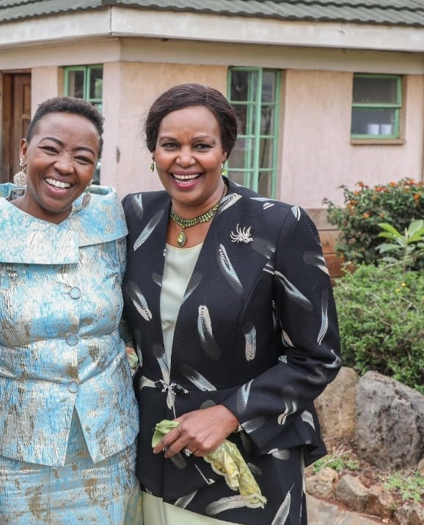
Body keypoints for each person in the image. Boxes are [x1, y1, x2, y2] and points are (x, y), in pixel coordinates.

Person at [122, 83, 341, 524]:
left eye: (201, 145)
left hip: (247, 463)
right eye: (170, 145)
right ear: (153, 152)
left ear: (225, 152)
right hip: (153, 454)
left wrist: (229, 414)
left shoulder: (277, 225)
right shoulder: (134, 216)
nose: (185, 159)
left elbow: (318, 356)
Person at [0, 97, 141, 525]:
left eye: (82, 157)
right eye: (50, 149)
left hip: (106, 450)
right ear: (24, 150)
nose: (64, 166)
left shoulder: (110, 219)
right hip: (9, 452)